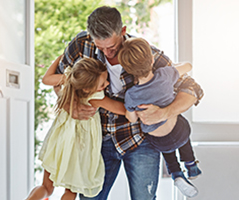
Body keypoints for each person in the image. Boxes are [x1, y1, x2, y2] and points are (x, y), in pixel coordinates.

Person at [44, 6, 204, 200]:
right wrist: (70, 105)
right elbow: (61, 82)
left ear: (122, 31)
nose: (107, 53)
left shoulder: (143, 54)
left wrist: (165, 112)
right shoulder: (81, 45)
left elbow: (192, 88)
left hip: (139, 140)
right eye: (100, 47)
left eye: (111, 47)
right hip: (96, 139)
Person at [25, 57, 126, 200]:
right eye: (103, 83)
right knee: (70, 192)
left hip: (58, 142)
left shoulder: (70, 81)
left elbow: (46, 79)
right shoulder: (95, 97)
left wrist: (59, 58)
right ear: (87, 88)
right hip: (78, 147)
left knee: (46, 187)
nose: (108, 84)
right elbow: (120, 108)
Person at [118, 37, 202, 198]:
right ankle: (191, 165)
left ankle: (176, 173)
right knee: (181, 126)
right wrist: (173, 67)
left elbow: (132, 119)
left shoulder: (131, 95)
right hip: (179, 132)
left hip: (159, 141)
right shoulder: (165, 74)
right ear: (151, 60)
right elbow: (188, 66)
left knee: (164, 145)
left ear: (127, 70)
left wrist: (133, 110)